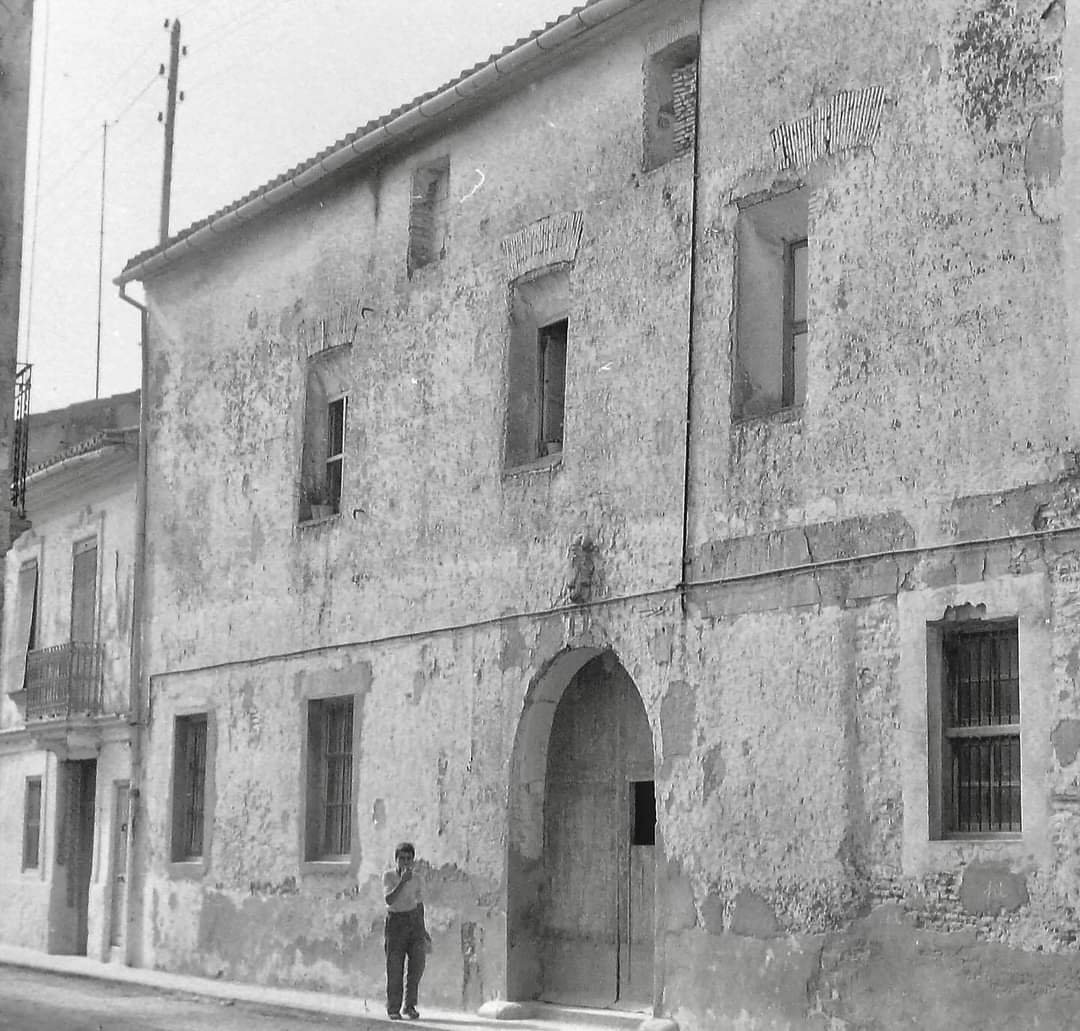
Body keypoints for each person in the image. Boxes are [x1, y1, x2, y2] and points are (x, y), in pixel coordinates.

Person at [383, 842, 431, 1020]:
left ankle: (409, 1005)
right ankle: (393, 1007)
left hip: (414, 921)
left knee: (417, 965)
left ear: (413, 860)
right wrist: (402, 882)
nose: (405, 862)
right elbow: (389, 899)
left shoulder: (417, 879)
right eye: (402, 858)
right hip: (396, 922)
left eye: (408, 859)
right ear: (396, 860)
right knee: (395, 966)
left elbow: (419, 904)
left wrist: (423, 929)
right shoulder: (389, 876)